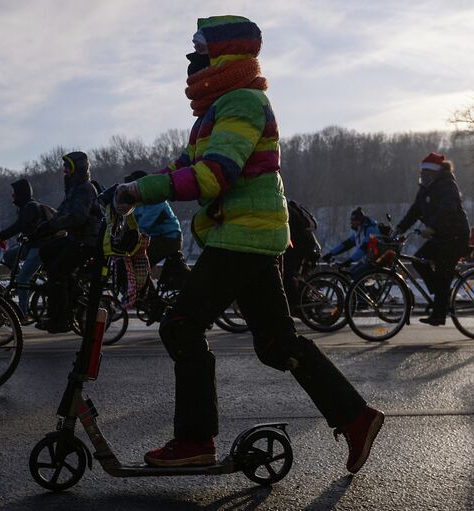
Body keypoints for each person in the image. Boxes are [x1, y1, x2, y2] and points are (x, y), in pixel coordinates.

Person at [114, 16, 383, 473]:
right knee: (277, 344)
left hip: (243, 235)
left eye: (198, 51)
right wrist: (130, 187)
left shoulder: (241, 102)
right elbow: (179, 167)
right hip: (249, 235)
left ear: (223, 55)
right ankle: (355, 417)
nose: (190, 60)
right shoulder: (216, 112)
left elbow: (213, 175)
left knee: (181, 326)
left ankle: (195, 440)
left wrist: (138, 193)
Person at [393, 152, 470, 325]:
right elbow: (414, 211)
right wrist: (398, 229)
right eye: (422, 173)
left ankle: (439, 313)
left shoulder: (447, 185)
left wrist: (431, 227)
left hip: (455, 237)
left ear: (434, 172)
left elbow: (447, 209)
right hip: (441, 236)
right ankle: (441, 296)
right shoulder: (425, 189)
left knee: (443, 273)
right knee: (418, 259)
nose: (423, 176)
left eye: (426, 173)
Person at [33, 151, 102, 333]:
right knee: (46, 251)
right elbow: (63, 210)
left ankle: (60, 319)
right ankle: (71, 290)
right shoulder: (73, 188)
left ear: (78, 168)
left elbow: (77, 217)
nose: (64, 170)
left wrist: (55, 226)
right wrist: (46, 227)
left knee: (57, 272)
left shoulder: (85, 188)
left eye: (68, 167)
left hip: (87, 241)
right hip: (76, 237)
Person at [0, 178, 55, 315]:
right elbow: (27, 229)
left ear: (22, 193)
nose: (12, 195)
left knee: (22, 279)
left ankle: (22, 313)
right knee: (9, 256)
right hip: (31, 245)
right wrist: (1, 239)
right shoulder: (24, 207)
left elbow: (18, 226)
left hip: (39, 247)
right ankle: (24, 281)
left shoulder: (31, 206)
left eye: (15, 193)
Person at [124, 170, 182, 267]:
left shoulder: (156, 201)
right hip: (155, 238)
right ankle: (142, 281)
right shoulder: (138, 203)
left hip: (169, 239)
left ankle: (141, 281)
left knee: (138, 261)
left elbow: (143, 226)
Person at [322, 207, 381, 279]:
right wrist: (331, 253)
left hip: (375, 260)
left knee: (354, 275)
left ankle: (368, 290)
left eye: (353, 220)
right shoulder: (360, 231)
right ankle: (365, 289)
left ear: (359, 221)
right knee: (349, 274)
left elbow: (364, 248)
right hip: (366, 260)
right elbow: (346, 245)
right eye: (351, 220)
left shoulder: (370, 230)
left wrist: (350, 260)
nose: (351, 222)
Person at [283, 200, 321, 311]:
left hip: (304, 247)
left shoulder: (286, 209)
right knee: (293, 276)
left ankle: (295, 305)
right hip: (305, 246)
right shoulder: (288, 206)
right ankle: (298, 300)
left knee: (287, 275)